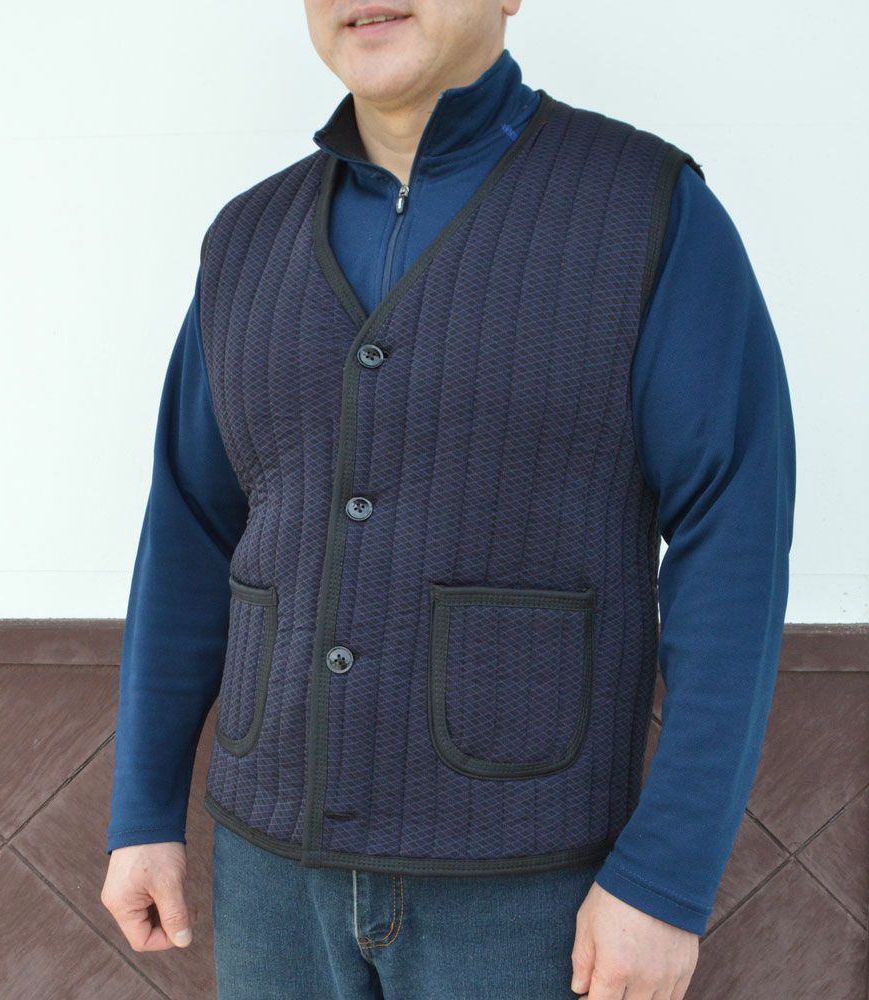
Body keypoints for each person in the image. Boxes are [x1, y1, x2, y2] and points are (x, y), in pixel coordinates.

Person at [100, 2, 796, 998]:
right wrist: (143, 811)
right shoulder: (246, 238)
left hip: (531, 884)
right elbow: (188, 536)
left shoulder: (647, 209)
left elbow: (733, 543)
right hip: (271, 875)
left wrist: (666, 880)